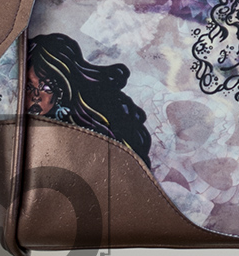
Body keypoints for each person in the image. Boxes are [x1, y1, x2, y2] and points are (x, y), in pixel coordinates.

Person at [25, 33, 152, 169]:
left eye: (46, 87)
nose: (35, 96)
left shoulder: (86, 135)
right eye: (28, 87)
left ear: (63, 90)